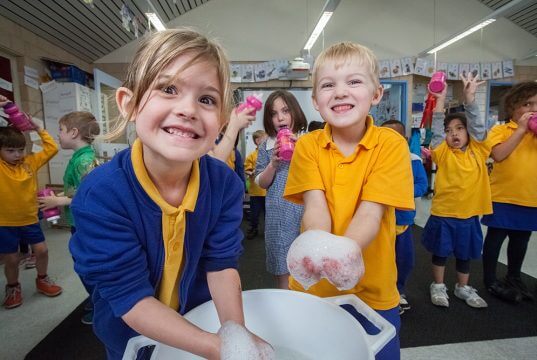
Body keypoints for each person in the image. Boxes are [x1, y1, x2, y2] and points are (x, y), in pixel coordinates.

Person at [69, 29, 269, 359]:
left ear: (221, 121)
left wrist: (236, 334)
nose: (188, 109)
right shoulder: (101, 194)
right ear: (129, 104)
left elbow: (220, 264)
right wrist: (219, 348)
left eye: (206, 99)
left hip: (198, 321)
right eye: (168, 89)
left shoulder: (224, 185)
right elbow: (129, 296)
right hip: (129, 337)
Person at [283, 42, 414, 360]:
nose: (340, 92)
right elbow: (316, 207)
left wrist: (344, 254)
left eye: (354, 81)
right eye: (328, 85)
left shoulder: (390, 145)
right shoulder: (308, 146)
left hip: (375, 292)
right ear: (315, 100)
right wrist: (319, 251)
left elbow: (371, 212)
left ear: (377, 94)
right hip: (315, 291)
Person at [421, 74, 491, 309]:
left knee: (464, 255)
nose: (454, 134)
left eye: (460, 129)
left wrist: (470, 98)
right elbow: (438, 131)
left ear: (468, 133)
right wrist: (439, 99)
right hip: (444, 214)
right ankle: (438, 285)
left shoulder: (478, 151)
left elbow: (479, 127)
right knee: (440, 254)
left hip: (469, 216)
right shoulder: (442, 152)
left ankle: (462, 287)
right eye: (450, 130)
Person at [37, 111, 100, 324]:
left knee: (87, 266)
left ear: (74, 133)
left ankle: (100, 305)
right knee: (82, 263)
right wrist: (62, 196)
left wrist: (59, 202)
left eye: (61, 131)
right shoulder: (79, 158)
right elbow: (77, 189)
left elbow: (90, 196)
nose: (59, 136)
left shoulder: (86, 161)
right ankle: (95, 299)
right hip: (78, 223)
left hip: (85, 225)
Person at [0, 95, 62, 309]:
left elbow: (52, 148)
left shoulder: (29, 163)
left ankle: (42, 279)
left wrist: (37, 127)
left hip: (29, 220)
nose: (17, 154)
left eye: (20, 149)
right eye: (10, 150)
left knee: (42, 251)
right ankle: (13, 286)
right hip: (5, 223)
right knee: (11, 259)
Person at [481, 81, 537, 302]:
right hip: (502, 196)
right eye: (527, 104)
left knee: (521, 239)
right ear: (513, 108)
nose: (533, 109)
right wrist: (521, 130)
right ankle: (490, 279)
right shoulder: (501, 130)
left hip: (530, 197)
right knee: (495, 238)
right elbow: (499, 155)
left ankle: (514, 276)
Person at [255, 90, 307, 290]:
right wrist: (273, 164)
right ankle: (285, 302)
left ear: (295, 111)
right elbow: (261, 182)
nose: (280, 117)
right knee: (281, 266)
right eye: (274, 114)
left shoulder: (309, 141)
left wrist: (301, 149)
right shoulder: (266, 146)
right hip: (278, 213)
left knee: (307, 263)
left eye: (285, 111)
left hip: (304, 212)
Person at [381, 120, 428, 314]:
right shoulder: (375, 160)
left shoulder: (413, 160)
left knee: (404, 258)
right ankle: (382, 290)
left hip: (403, 220)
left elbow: (422, 186)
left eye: (395, 137)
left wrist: (401, 193)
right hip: (381, 222)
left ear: (404, 140)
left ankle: (399, 291)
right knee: (383, 259)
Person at [244, 130, 267, 239]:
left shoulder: (269, 154)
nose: (267, 140)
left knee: (269, 214)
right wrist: (251, 172)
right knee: (254, 214)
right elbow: (246, 169)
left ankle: (269, 231)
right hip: (256, 191)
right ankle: (253, 228)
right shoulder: (252, 156)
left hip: (267, 192)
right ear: (257, 141)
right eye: (264, 138)